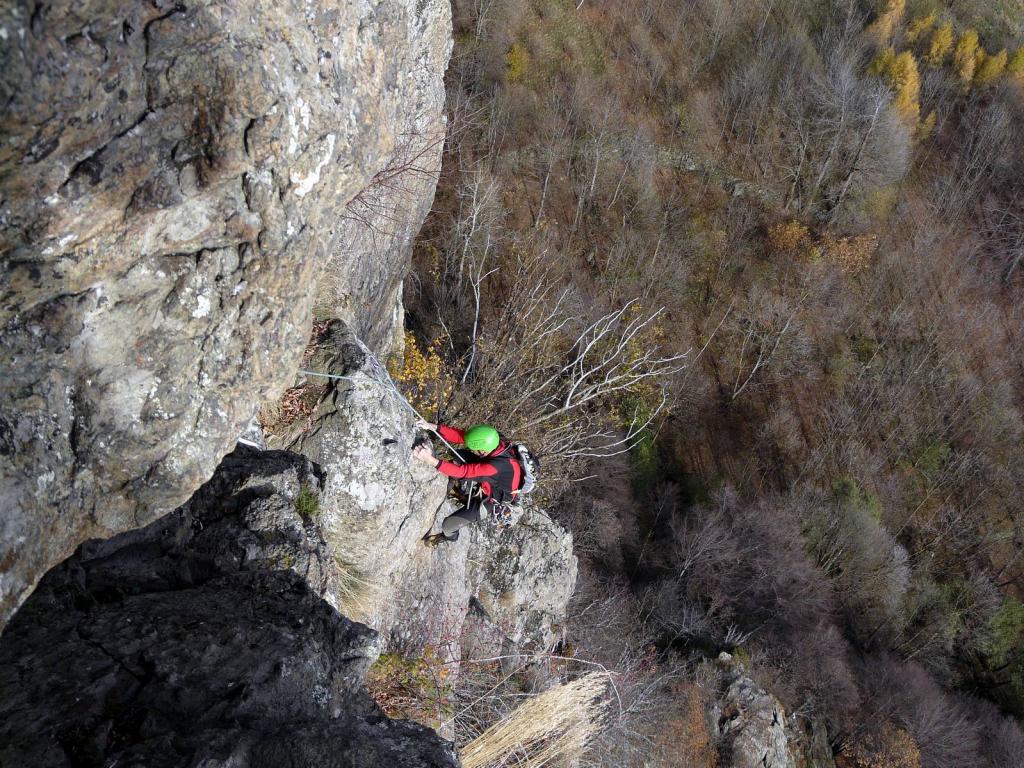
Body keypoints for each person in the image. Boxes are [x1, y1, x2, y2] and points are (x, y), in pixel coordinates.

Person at [411, 421, 523, 545]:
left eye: (473, 449)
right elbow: (463, 437)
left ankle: (447, 537)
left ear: (482, 452)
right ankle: (459, 492)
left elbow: (462, 472)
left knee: (448, 525)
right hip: (494, 477)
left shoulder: (495, 467)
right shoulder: (494, 439)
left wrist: (430, 460)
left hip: (492, 499)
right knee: (458, 455)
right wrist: (433, 427)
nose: (470, 449)